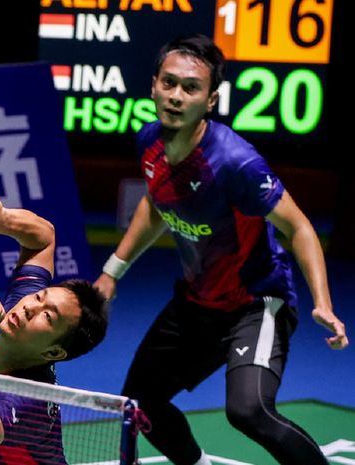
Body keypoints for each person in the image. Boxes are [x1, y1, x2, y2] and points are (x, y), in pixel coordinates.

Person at [93, 34, 349, 465]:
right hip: (197, 302)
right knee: (140, 402)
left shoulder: (235, 163)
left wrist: (322, 303)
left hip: (256, 301)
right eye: (168, 83)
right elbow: (157, 203)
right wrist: (111, 271)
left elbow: (300, 227)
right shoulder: (150, 141)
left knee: (249, 410)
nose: (176, 96)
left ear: (210, 100)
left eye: (190, 88)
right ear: (153, 84)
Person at [0, 191, 109, 465]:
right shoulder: (19, 311)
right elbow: (43, 237)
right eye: (39, 297)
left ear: (54, 352)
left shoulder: (31, 398)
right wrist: (0, 217)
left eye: (48, 317)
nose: (30, 308)